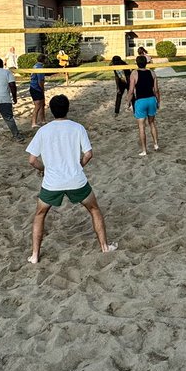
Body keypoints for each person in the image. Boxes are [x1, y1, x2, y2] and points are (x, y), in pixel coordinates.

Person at [25, 94, 116, 263]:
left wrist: (44, 169)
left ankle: (35, 255)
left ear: (51, 111)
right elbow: (88, 154)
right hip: (76, 179)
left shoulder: (43, 130)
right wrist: (78, 166)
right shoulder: (77, 128)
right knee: (94, 209)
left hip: (52, 182)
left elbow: (32, 160)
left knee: (39, 215)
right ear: (68, 109)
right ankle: (104, 247)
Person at [127, 54, 161, 155]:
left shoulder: (134, 73)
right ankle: (156, 144)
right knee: (152, 123)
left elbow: (131, 90)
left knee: (141, 127)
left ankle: (144, 150)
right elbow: (156, 90)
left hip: (140, 101)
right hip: (151, 99)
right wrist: (158, 101)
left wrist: (128, 102)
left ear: (137, 64)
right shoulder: (152, 73)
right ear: (146, 63)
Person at [29, 53, 47, 127]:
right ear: (43, 60)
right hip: (36, 88)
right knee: (38, 105)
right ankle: (34, 122)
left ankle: (42, 120)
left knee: (42, 104)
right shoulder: (40, 68)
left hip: (34, 87)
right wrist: (42, 90)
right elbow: (40, 81)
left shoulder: (36, 65)